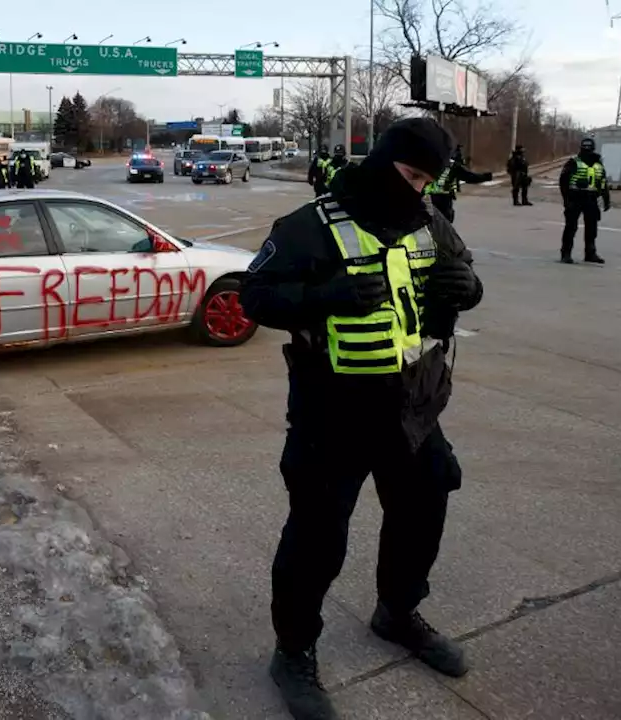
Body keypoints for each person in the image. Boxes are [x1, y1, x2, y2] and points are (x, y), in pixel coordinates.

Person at [240, 118, 482, 720]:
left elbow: (467, 276)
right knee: (317, 536)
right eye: (411, 175)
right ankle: (293, 651)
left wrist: (468, 287)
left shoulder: (431, 220)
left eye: (429, 179)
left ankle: (397, 612)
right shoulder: (307, 227)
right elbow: (255, 296)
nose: (420, 189)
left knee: (423, 509)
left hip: (414, 409)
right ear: (382, 162)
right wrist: (323, 297)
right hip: (334, 413)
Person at [557, 137, 610, 264]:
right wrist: (566, 199)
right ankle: (566, 253)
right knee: (571, 227)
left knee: (592, 227)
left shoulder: (598, 164)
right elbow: (563, 181)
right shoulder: (573, 162)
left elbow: (603, 182)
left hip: (591, 198)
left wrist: (606, 198)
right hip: (575, 198)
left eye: (588, 149)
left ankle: (590, 253)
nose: (587, 151)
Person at [422, 149, 492, 224]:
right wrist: (486, 177)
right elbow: (469, 177)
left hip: (431, 195)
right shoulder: (453, 166)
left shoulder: (432, 162)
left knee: (432, 219)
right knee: (444, 221)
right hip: (444, 197)